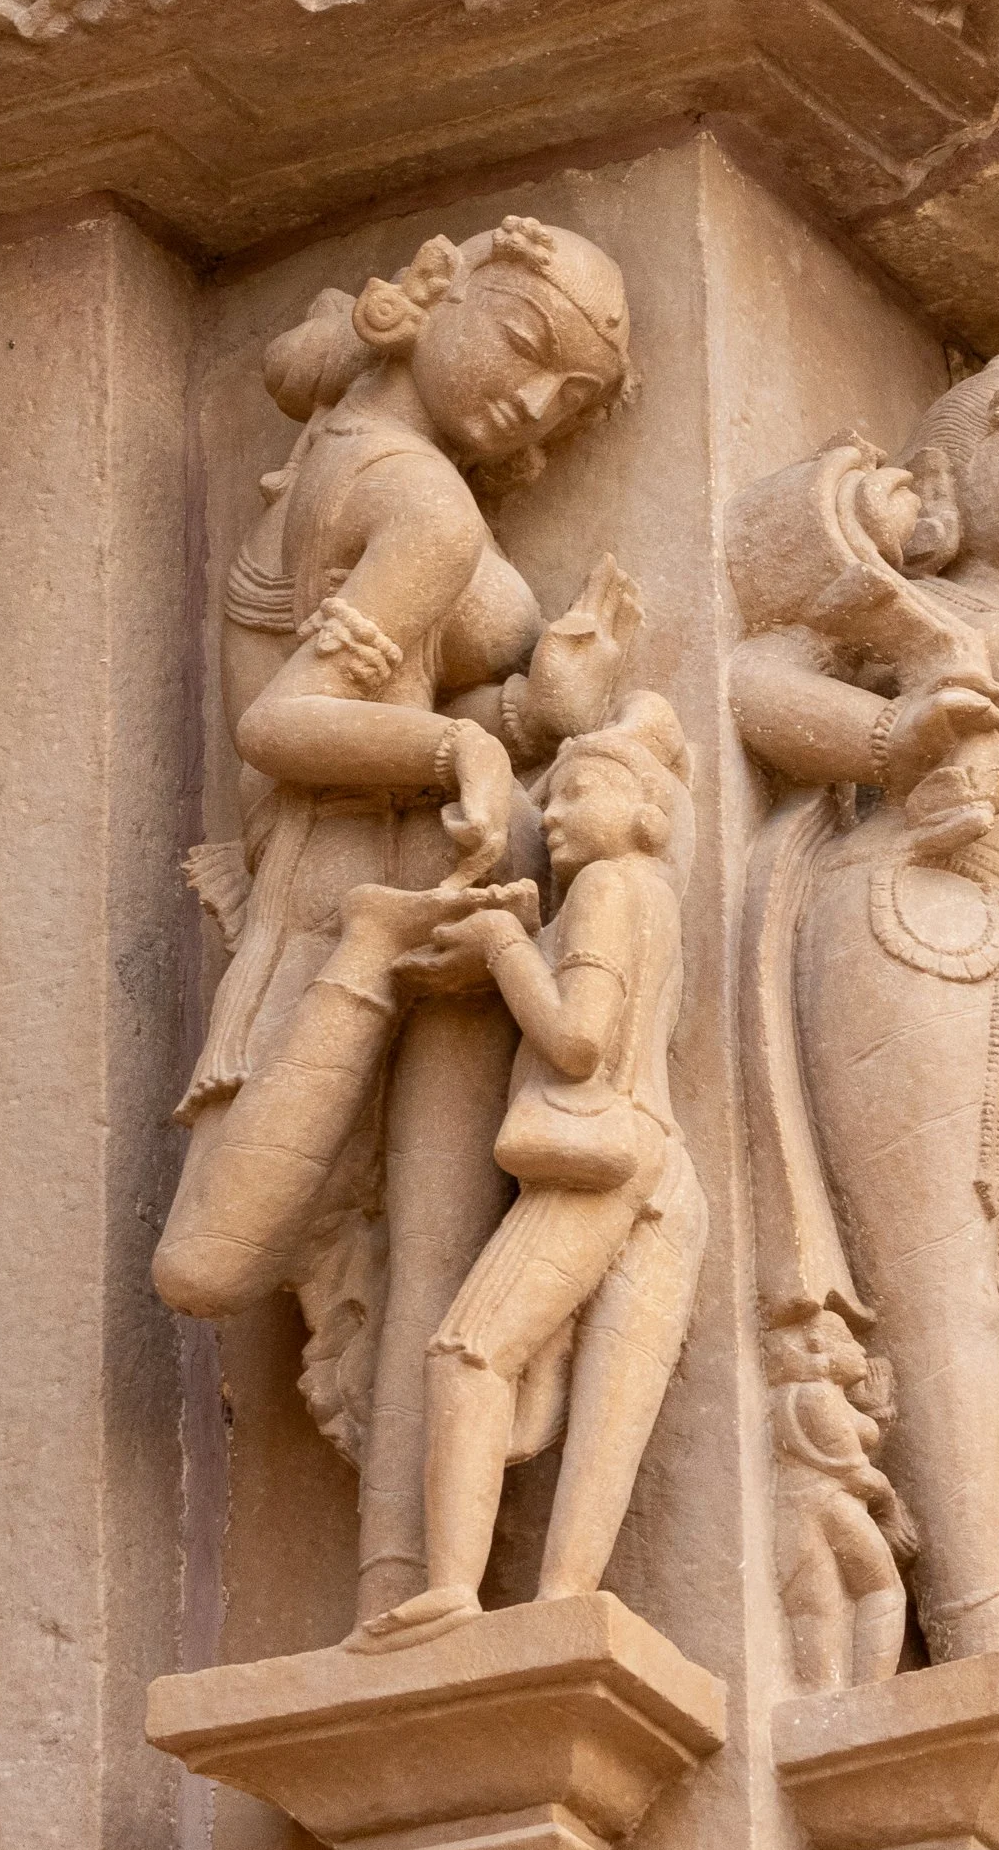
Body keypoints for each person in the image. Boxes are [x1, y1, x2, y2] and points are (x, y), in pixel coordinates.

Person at [153, 217, 637, 1627]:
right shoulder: (423, 503)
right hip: (359, 893)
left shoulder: (338, 435)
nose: (529, 404)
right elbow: (287, 720)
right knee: (222, 1260)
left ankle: (410, 1609)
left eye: (566, 401)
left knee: (433, 1265)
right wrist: (457, 758)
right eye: (529, 345)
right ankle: (411, 1610)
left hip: (438, 892)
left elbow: (400, 697)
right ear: (452, 279)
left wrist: (526, 715)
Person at [731, 362, 999, 1681]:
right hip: (915, 909)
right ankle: (985, 1658)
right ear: (953, 492)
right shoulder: (909, 610)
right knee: (942, 1282)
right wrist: (891, 733)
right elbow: (751, 676)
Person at [365, 692, 705, 1634]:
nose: (550, 813)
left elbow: (577, 1044)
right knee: (610, 1412)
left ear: (643, 811)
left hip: (596, 1163)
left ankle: (450, 1591)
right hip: (663, 1174)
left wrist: (508, 943)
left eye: (578, 791)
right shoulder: (655, 899)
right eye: (547, 798)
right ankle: (563, 1603)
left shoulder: (606, 888)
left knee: (468, 1352)